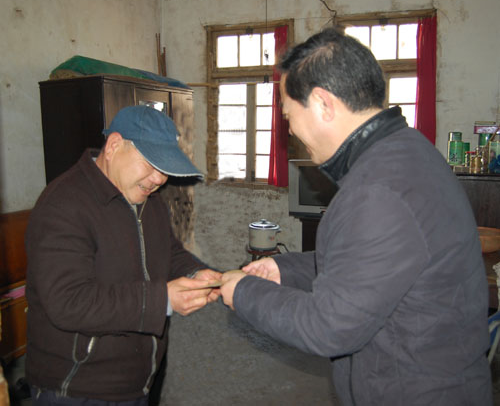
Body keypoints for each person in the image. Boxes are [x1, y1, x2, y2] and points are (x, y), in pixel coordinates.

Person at [220, 27, 493, 404]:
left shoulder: (376, 192)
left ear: (322, 104)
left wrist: (244, 292)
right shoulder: (409, 150)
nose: (291, 130)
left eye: (287, 115)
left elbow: (328, 327)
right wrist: (285, 269)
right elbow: (369, 266)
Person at [25, 105, 222, 404]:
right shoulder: (63, 205)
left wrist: (197, 273)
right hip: (78, 387)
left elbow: (169, 252)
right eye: (151, 164)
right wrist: (163, 300)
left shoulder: (149, 200)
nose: (159, 179)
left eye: (165, 168)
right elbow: (68, 302)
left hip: (137, 382)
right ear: (114, 145)